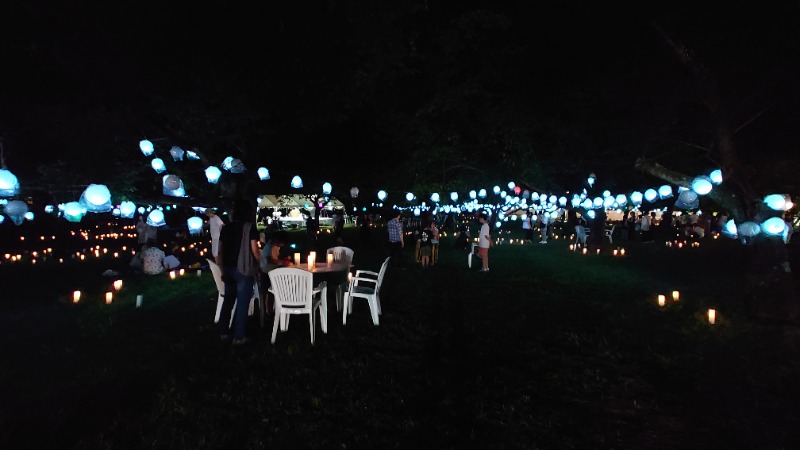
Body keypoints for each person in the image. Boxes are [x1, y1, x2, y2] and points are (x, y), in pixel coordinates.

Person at [216, 199, 261, 346]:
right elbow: (255, 250)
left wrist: (222, 269)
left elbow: (220, 251)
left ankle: (223, 333)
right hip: (243, 269)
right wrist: (259, 263)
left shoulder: (226, 228)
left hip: (228, 269)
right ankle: (239, 336)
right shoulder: (250, 227)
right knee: (242, 303)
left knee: (228, 301)